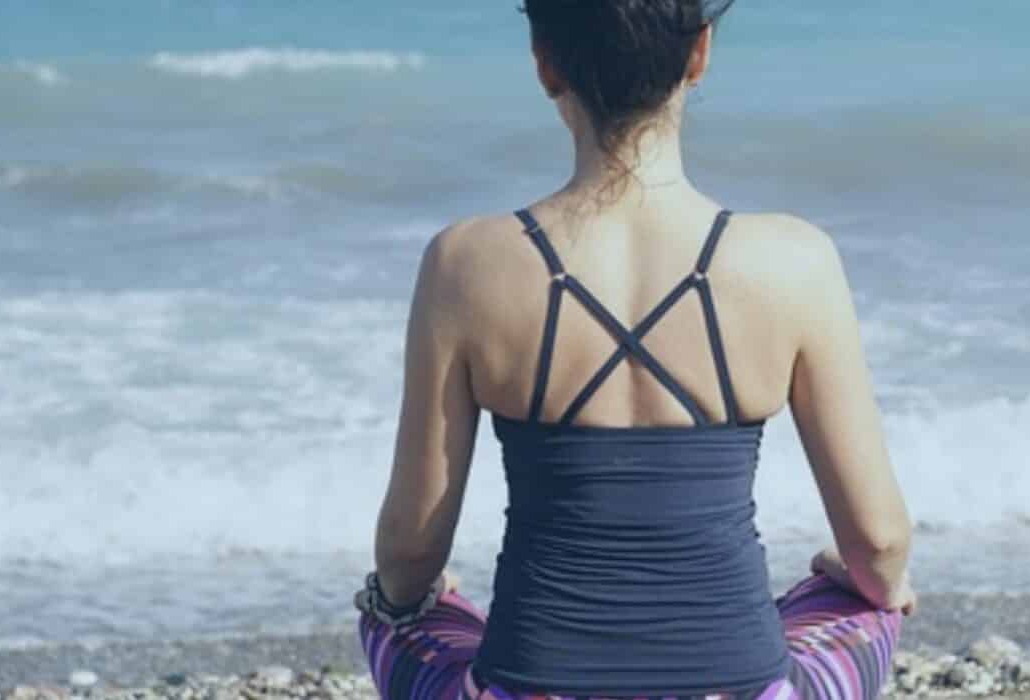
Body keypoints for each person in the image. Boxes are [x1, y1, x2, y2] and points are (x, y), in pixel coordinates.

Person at [357, 1, 915, 697]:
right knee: (865, 596)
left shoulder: (465, 262)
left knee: (396, 610)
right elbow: (881, 542)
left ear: (545, 63)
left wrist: (406, 599)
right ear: (699, 54)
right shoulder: (795, 261)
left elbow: (409, 551)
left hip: (527, 688)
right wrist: (860, 579)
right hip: (742, 691)